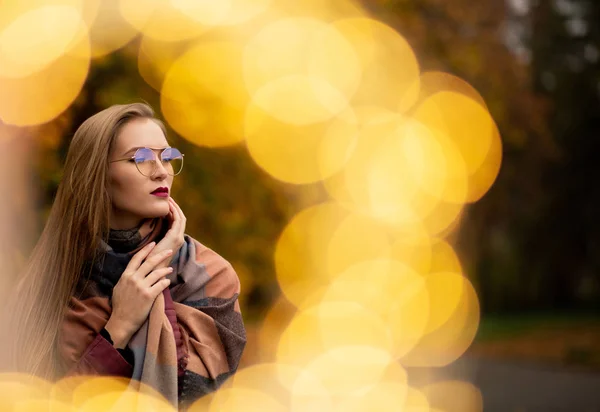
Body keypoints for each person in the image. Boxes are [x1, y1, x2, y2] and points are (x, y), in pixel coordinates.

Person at [1, 103, 246, 409]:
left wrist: (159, 274)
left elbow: (197, 396)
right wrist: (119, 325)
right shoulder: (50, 281)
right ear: (97, 174)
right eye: (140, 158)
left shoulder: (208, 275)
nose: (161, 171)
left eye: (167, 157)